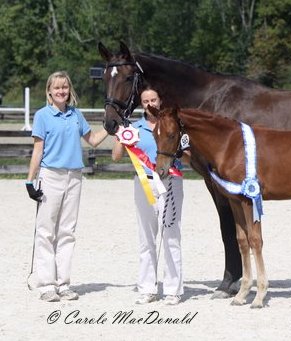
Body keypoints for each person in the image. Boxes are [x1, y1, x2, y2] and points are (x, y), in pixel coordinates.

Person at [26, 71, 109, 302]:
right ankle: (46, 285)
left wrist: (111, 128)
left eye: (65, 87)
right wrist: (30, 180)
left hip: (74, 176)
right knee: (46, 232)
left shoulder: (76, 114)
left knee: (67, 232)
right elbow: (38, 150)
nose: (61, 91)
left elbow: (92, 140)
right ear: (49, 91)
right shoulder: (43, 115)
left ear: (69, 90)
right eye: (57, 88)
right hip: (50, 175)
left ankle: (63, 284)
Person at [112, 86, 188, 305]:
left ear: (160, 100)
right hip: (144, 182)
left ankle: (173, 290)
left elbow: (189, 157)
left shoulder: (175, 125)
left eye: (153, 99)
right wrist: (120, 133)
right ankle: (147, 287)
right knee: (146, 237)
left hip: (171, 181)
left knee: (171, 235)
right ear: (141, 104)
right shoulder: (134, 128)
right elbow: (116, 156)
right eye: (145, 101)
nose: (150, 104)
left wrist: (182, 151)